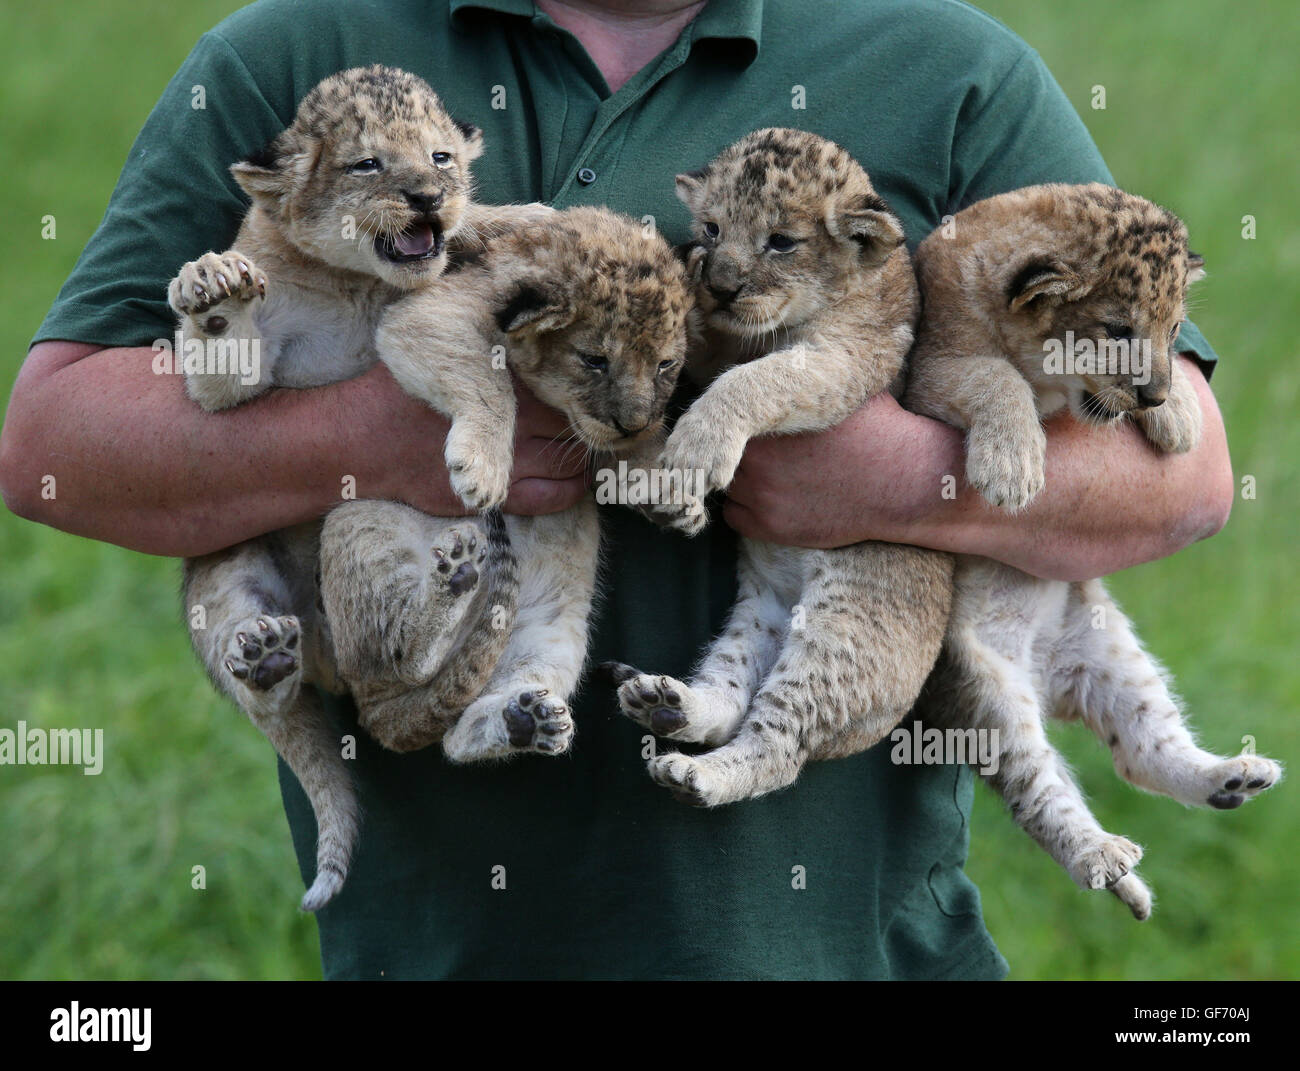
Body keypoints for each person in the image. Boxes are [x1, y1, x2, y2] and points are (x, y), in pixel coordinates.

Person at [0, 0, 1232, 979]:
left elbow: (1184, 480)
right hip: (438, 953)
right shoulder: (298, 52)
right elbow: (53, 443)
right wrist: (383, 432)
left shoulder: (944, 64)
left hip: (848, 959)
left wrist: (895, 481)